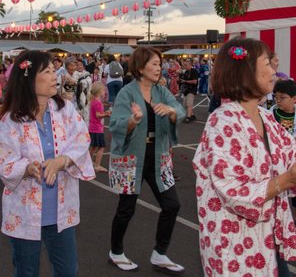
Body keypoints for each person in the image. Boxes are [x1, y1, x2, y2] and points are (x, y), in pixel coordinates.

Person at [193, 38, 296, 277]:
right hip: (233, 242)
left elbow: (288, 153)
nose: (273, 71)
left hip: (266, 236)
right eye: (267, 63)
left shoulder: (266, 117)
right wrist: (287, 180)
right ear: (246, 71)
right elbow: (233, 189)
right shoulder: (221, 121)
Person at [0, 50, 95, 277]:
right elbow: (4, 157)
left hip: (61, 214)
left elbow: (82, 138)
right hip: (24, 213)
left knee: (67, 271)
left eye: (55, 70)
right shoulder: (10, 120)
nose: (55, 76)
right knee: (26, 272)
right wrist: (28, 168)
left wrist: (62, 161)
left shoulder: (66, 111)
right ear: (29, 77)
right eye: (47, 71)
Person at [108, 46, 186, 273]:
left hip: (158, 156)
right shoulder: (127, 93)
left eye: (159, 64)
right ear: (140, 67)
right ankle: (115, 251)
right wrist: (133, 119)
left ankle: (160, 254)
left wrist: (171, 111)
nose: (158, 67)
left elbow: (179, 111)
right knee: (126, 208)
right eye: (154, 63)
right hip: (132, 157)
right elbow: (116, 124)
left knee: (172, 205)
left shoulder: (161, 91)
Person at [269, 79, 296, 223]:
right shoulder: (271, 114)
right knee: (278, 187)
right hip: (276, 158)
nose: (278, 101)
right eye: (276, 97)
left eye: (282, 98)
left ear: (294, 98)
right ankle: (278, 216)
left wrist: (287, 143)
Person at [89, 81, 111, 173]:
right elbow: (98, 115)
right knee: (101, 147)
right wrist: (107, 114)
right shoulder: (98, 103)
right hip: (97, 128)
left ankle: (88, 162)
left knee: (93, 146)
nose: (105, 92)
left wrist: (105, 113)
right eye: (103, 90)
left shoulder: (93, 101)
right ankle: (97, 165)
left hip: (92, 127)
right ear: (98, 91)